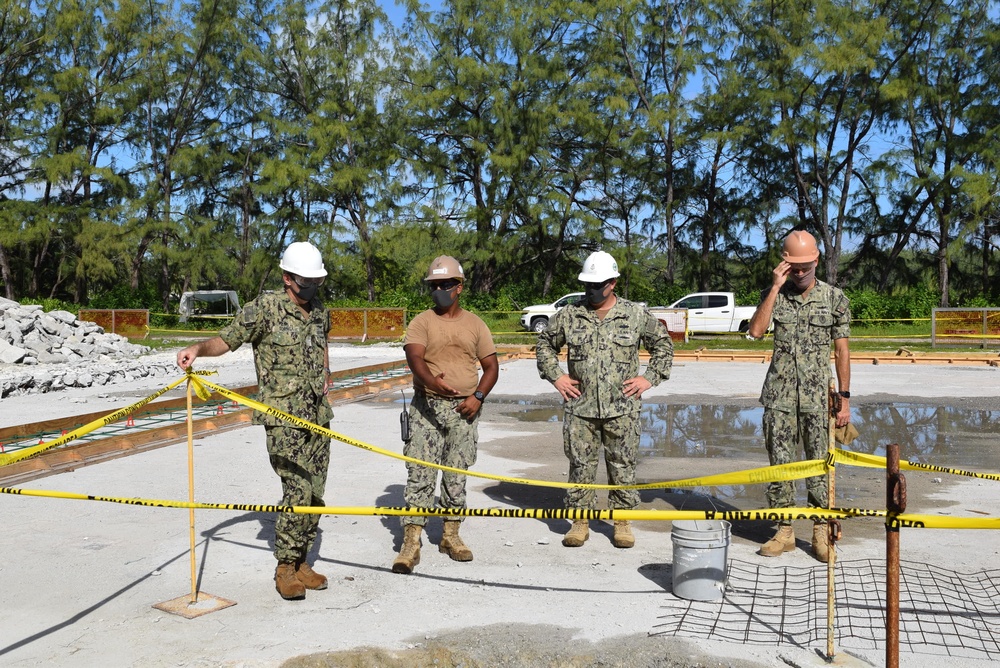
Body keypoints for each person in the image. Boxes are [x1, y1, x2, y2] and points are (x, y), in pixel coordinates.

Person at [176, 241, 334, 600]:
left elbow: (323, 341)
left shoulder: (320, 309)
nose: (311, 288)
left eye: (316, 282)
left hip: (318, 415)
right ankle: (284, 568)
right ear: (287, 278)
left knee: (317, 493)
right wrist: (196, 350)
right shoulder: (265, 308)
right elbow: (226, 340)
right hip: (283, 416)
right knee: (297, 490)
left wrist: (327, 372)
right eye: (304, 282)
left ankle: (302, 562)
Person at [535, 251, 673, 549]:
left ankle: (621, 521)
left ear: (612, 283)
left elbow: (663, 344)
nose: (591, 290)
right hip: (580, 407)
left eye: (598, 285)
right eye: (588, 284)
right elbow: (544, 343)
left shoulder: (634, 315)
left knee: (622, 465)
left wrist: (649, 378)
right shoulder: (571, 315)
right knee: (580, 465)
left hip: (622, 408)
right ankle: (580, 522)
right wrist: (556, 376)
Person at [747, 230, 851, 563]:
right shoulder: (773, 294)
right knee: (781, 465)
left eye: (806, 265)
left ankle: (821, 530)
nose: (801, 271)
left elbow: (842, 351)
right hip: (779, 396)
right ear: (784, 263)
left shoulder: (834, 298)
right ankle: (784, 530)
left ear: (816, 260)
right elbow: (756, 332)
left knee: (821, 466)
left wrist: (845, 399)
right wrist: (776, 287)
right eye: (794, 265)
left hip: (818, 398)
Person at [392, 255, 499, 574]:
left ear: (459, 287)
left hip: (463, 413)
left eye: (445, 284)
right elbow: (415, 358)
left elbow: (491, 368)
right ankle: (411, 541)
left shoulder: (475, 324)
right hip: (427, 410)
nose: (438, 289)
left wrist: (478, 397)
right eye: (434, 285)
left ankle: (451, 536)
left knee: (456, 477)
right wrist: (430, 382)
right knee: (420, 477)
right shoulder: (422, 322)